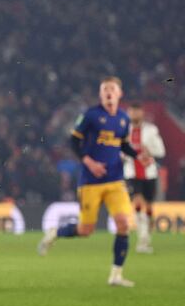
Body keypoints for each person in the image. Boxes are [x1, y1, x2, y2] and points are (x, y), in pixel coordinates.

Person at [38, 77, 149, 287]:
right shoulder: (90, 115)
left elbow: (123, 145)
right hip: (91, 181)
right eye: (105, 89)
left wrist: (138, 156)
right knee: (86, 230)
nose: (108, 93)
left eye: (112, 89)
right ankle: (55, 232)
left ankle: (116, 274)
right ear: (101, 94)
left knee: (124, 224)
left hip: (116, 181)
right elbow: (73, 141)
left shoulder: (124, 119)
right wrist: (89, 163)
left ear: (119, 93)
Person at [123, 103, 166, 253]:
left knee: (148, 208)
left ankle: (146, 238)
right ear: (129, 113)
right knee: (137, 204)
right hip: (131, 173)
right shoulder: (123, 131)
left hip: (149, 173)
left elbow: (161, 151)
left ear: (141, 113)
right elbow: (117, 150)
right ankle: (141, 239)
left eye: (137, 111)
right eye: (132, 111)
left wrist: (149, 151)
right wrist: (123, 155)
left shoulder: (151, 130)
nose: (134, 114)